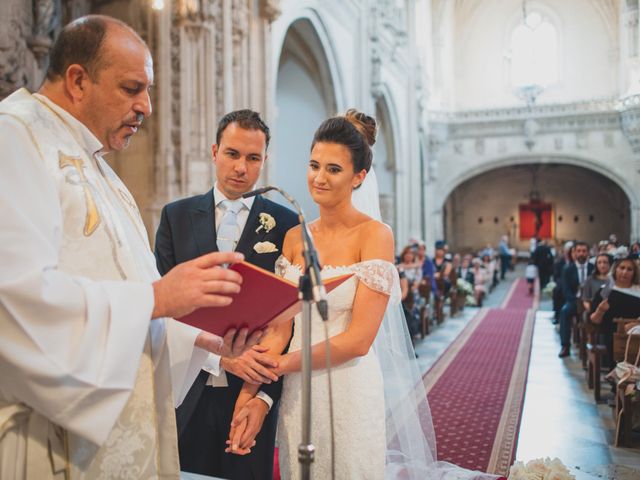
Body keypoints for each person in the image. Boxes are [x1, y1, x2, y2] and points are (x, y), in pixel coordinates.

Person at [0, 15, 258, 479]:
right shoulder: (15, 138)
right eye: (132, 88)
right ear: (78, 81)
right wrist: (160, 297)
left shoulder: (98, 166)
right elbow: (14, 299)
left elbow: (131, 296)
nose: (147, 107)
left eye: (149, 90)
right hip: (52, 438)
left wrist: (206, 341)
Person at [227, 110, 496, 479]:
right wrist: (250, 394)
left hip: (348, 386)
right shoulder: (293, 238)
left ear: (359, 177)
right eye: (314, 165)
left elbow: (358, 340)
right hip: (298, 394)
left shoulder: (375, 235)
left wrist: (280, 366)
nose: (319, 178)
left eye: (334, 169)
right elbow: (280, 330)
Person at [154, 110, 299, 479]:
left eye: (253, 158)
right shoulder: (176, 216)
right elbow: (162, 307)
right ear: (215, 152)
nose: (241, 167)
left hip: (251, 393)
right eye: (233, 154)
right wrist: (221, 358)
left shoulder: (286, 223)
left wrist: (265, 398)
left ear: (264, 161)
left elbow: (289, 322)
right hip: (188, 387)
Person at [590, 257, 640, 369]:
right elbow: (594, 319)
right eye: (622, 268)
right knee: (617, 341)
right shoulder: (606, 291)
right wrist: (600, 310)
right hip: (613, 333)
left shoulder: (638, 291)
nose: (624, 272)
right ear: (615, 270)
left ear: (634, 272)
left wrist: (634, 324)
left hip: (636, 331)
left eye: (629, 269)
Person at [558, 241, 594, 358]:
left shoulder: (593, 268)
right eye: (578, 251)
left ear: (588, 253)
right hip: (574, 301)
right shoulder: (568, 269)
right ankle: (565, 346)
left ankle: (595, 345)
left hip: (591, 302)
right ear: (574, 253)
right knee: (564, 312)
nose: (581, 253)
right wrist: (576, 302)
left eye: (584, 251)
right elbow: (566, 290)